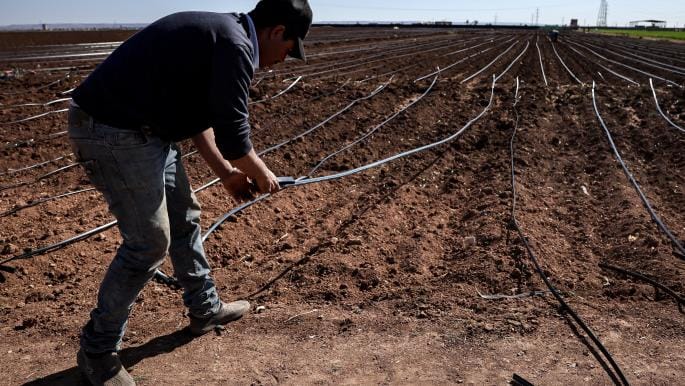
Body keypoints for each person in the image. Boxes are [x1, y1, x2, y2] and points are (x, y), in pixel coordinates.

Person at [67, 1, 312, 385]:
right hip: (112, 132)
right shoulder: (235, 45)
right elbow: (234, 135)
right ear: (277, 31)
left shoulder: (222, 36)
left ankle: (204, 309)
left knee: (185, 217)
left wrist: (228, 174)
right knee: (149, 243)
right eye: (289, 48)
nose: (285, 59)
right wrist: (264, 175)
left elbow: (202, 118)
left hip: (147, 134)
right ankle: (97, 351)